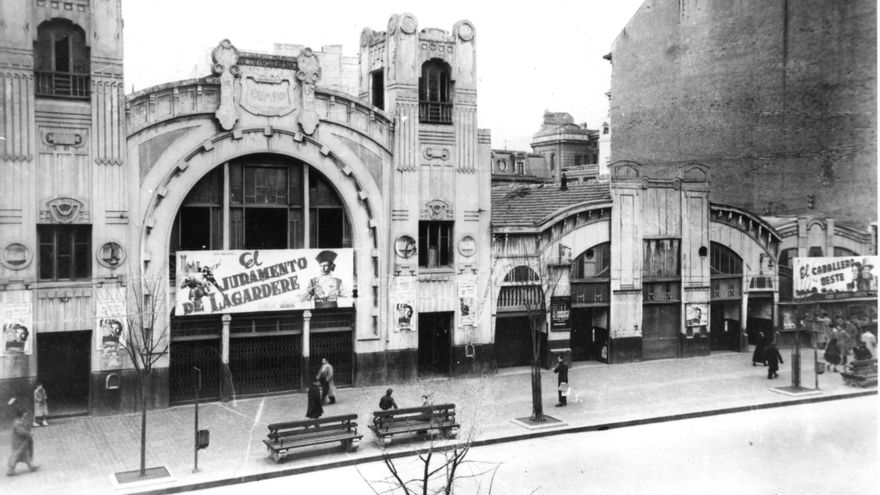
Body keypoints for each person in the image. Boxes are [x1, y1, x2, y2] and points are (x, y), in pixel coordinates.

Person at [6, 410, 38, 476]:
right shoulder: (18, 423)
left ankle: (31, 466)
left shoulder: (20, 421)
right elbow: (21, 432)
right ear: (21, 415)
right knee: (16, 455)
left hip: (22, 442)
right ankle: (10, 470)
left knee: (26, 453)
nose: (25, 416)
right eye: (24, 415)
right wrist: (29, 433)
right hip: (18, 442)